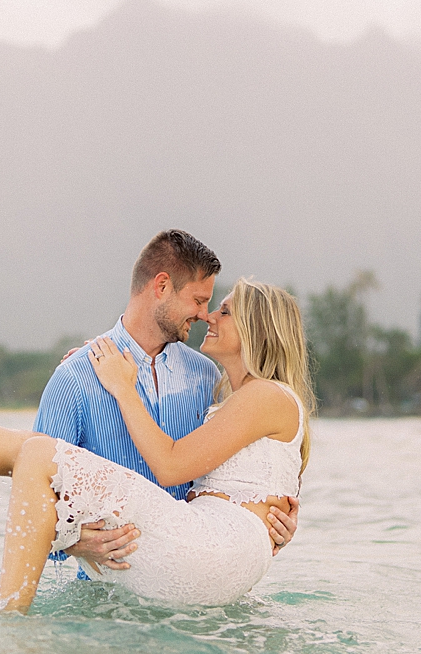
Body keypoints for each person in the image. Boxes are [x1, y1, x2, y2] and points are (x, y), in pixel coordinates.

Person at [0, 275, 316, 613]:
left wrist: (119, 385)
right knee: (27, 451)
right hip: (213, 553)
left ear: (254, 326)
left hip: (213, 550)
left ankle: (8, 627)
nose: (210, 317)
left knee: (34, 453)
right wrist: (93, 375)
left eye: (223, 311)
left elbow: (169, 464)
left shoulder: (267, 395)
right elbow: (239, 482)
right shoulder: (231, 399)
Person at [34, 229, 299, 575]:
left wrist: (274, 513)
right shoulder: (74, 379)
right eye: (199, 301)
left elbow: (249, 467)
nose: (205, 315)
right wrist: (75, 542)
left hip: (197, 603)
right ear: (161, 287)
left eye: (212, 305)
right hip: (108, 608)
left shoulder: (209, 378)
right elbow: (32, 506)